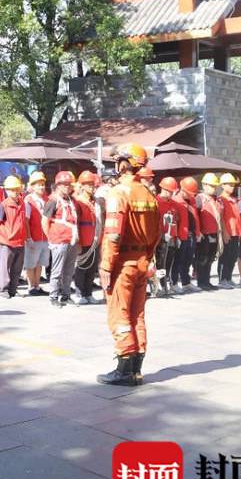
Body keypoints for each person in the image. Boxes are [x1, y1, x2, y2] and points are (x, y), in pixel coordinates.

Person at [96, 143, 159, 387]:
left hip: (123, 263)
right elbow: (156, 234)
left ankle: (124, 369)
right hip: (143, 261)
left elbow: (113, 234)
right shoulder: (149, 195)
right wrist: (147, 257)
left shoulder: (119, 193)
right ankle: (136, 368)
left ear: (124, 163)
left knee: (119, 314)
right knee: (138, 315)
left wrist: (106, 266)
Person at [43, 171, 80, 307]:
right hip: (58, 240)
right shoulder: (53, 201)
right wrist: (50, 238)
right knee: (57, 270)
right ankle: (53, 296)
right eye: (64, 184)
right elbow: (44, 221)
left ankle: (65, 295)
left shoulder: (71, 200)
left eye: (69, 184)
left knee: (69, 270)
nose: (67, 187)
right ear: (58, 185)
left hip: (71, 240)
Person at [0, 175, 27, 299]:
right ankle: (4, 290)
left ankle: (13, 289)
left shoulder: (22, 203)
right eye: (12, 189)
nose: (15, 192)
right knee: (5, 268)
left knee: (17, 268)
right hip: (7, 241)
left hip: (20, 241)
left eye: (17, 189)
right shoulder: (4, 205)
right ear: (7, 191)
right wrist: (5, 235)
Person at [72, 171, 100, 305]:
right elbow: (75, 222)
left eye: (92, 184)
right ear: (82, 185)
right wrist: (77, 240)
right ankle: (79, 293)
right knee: (82, 267)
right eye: (88, 184)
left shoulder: (95, 201)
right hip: (84, 237)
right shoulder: (77, 201)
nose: (91, 187)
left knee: (92, 267)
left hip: (94, 238)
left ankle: (88, 293)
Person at [194, 174, 222, 291]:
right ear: (204, 185)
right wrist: (198, 232)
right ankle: (201, 282)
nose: (213, 188)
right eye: (211, 186)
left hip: (214, 233)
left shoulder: (216, 199)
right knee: (203, 258)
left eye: (215, 186)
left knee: (210, 258)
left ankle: (207, 281)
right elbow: (196, 217)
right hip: (204, 235)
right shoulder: (199, 199)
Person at [23, 172, 50, 296]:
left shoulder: (47, 199)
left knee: (40, 263)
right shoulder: (28, 200)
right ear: (32, 186)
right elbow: (26, 221)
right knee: (31, 263)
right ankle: (31, 286)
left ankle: (37, 285)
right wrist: (28, 237)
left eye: (43, 184)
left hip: (45, 237)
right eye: (39, 185)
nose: (42, 187)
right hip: (33, 236)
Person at [172, 177, 200, 294]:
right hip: (181, 235)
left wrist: (197, 232)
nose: (192, 196)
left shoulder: (192, 201)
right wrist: (176, 236)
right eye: (190, 193)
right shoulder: (176, 201)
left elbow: (196, 218)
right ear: (183, 190)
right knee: (178, 260)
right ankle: (173, 283)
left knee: (188, 259)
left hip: (191, 235)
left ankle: (186, 282)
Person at [154, 177, 180, 298]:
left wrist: (177, 236)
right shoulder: (155, 202)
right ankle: (158, 285)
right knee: (159, 263)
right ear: (162, 188)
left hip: (171, 239)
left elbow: (176, 221)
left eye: (171, 192)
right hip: (160, 239)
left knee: (168, 263)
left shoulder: (173, 205)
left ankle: (165, 285)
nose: (169, 194)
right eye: (168, 191)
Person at [217, 173, 241, 289]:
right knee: (224, 257)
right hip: (227, 232)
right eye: (229, 185)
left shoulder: (234, 200)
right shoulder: (221, 200)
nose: (232, 187)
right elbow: (221, 218)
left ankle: (228, 277)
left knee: (233, 256)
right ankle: (222, 279)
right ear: (222, 185)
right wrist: (224, 232)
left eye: (233, 185)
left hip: (235, 232)